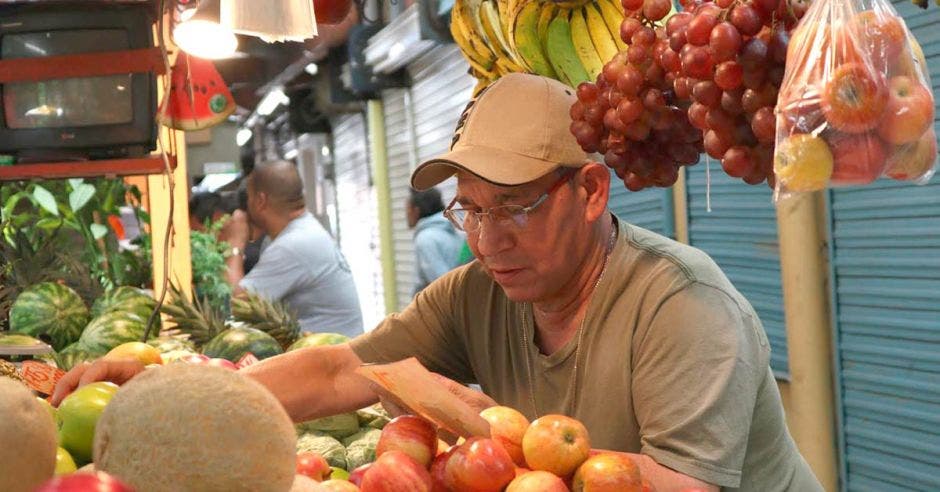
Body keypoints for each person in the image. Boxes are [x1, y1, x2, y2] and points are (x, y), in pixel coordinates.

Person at [53, 74, 821, 491]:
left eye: (513, 208)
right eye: (471, 212)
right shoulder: (479, 291)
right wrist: (159, 393)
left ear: (592, 192)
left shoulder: (681, 305)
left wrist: (493, 433)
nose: (488, 242)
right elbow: (339, 370)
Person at [218, 160, 364, 337]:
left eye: (248, 197)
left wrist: (235, 243)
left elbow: (238, 304)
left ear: (261, 200)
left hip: (333, 358)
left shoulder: (293, 244)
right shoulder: (300, 232)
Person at [406, 187, 465, 295]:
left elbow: (442, 285)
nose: (406, 214)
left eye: (408, 209)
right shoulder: (453, 232)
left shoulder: (425, 239)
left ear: (416, 210)